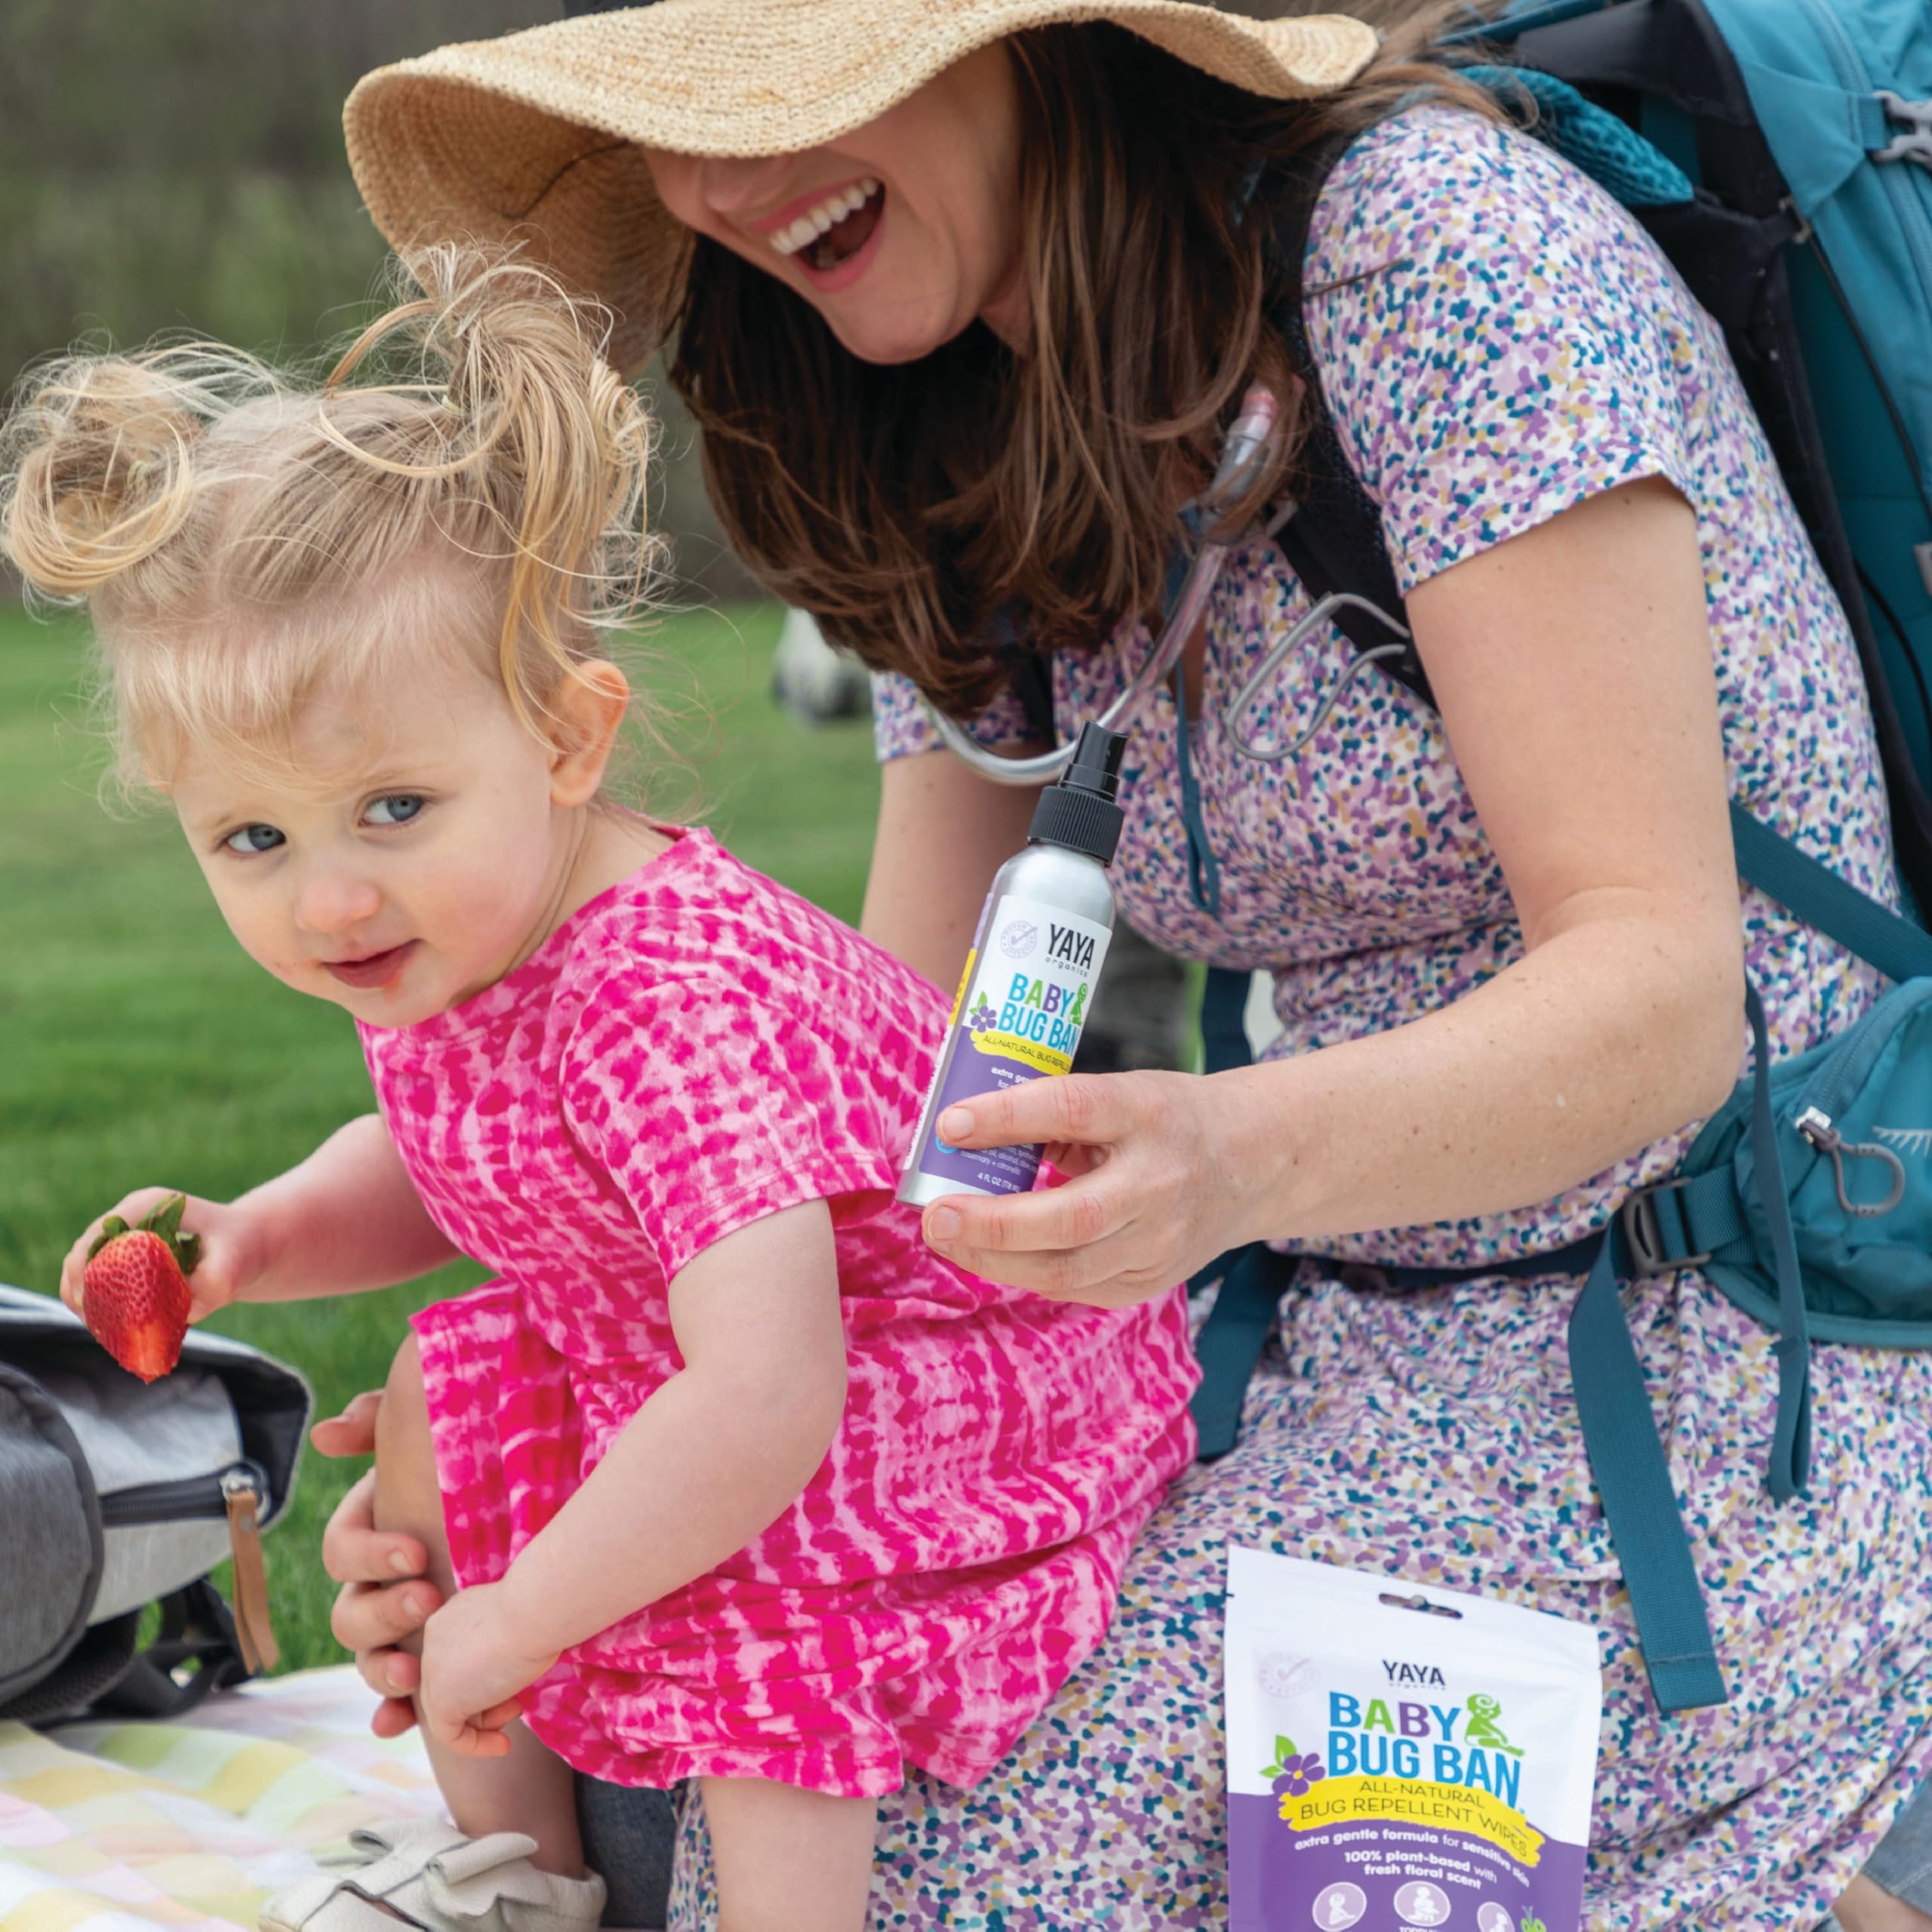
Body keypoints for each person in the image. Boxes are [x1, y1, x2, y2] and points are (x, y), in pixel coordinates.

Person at [324, 2, 1932, 1927]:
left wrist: (1227, 1154)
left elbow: (1664, 992)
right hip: (1309, 1319)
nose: (738, 181)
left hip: (1699, 1348)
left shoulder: (1428, 254)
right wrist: (537, 1468)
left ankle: (1819, 1843)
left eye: (819, 82)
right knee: (668, 1732)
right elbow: (896, 1084)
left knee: (893, 1855)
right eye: (682, 113)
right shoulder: (948, 398)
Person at [0, 248, 1198, 1932]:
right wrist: (257, 1237)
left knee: (776, 1609)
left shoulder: (660, 999)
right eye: (252, 840)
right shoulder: (446, 932)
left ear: (568, 740)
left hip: (906, 1370)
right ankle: (524, 1877)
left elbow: (775, 1392)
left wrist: (527, 1611)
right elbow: (443, 1158)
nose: (329, 898)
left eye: (392, 807)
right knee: (444, 1390)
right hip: (700, 1339)